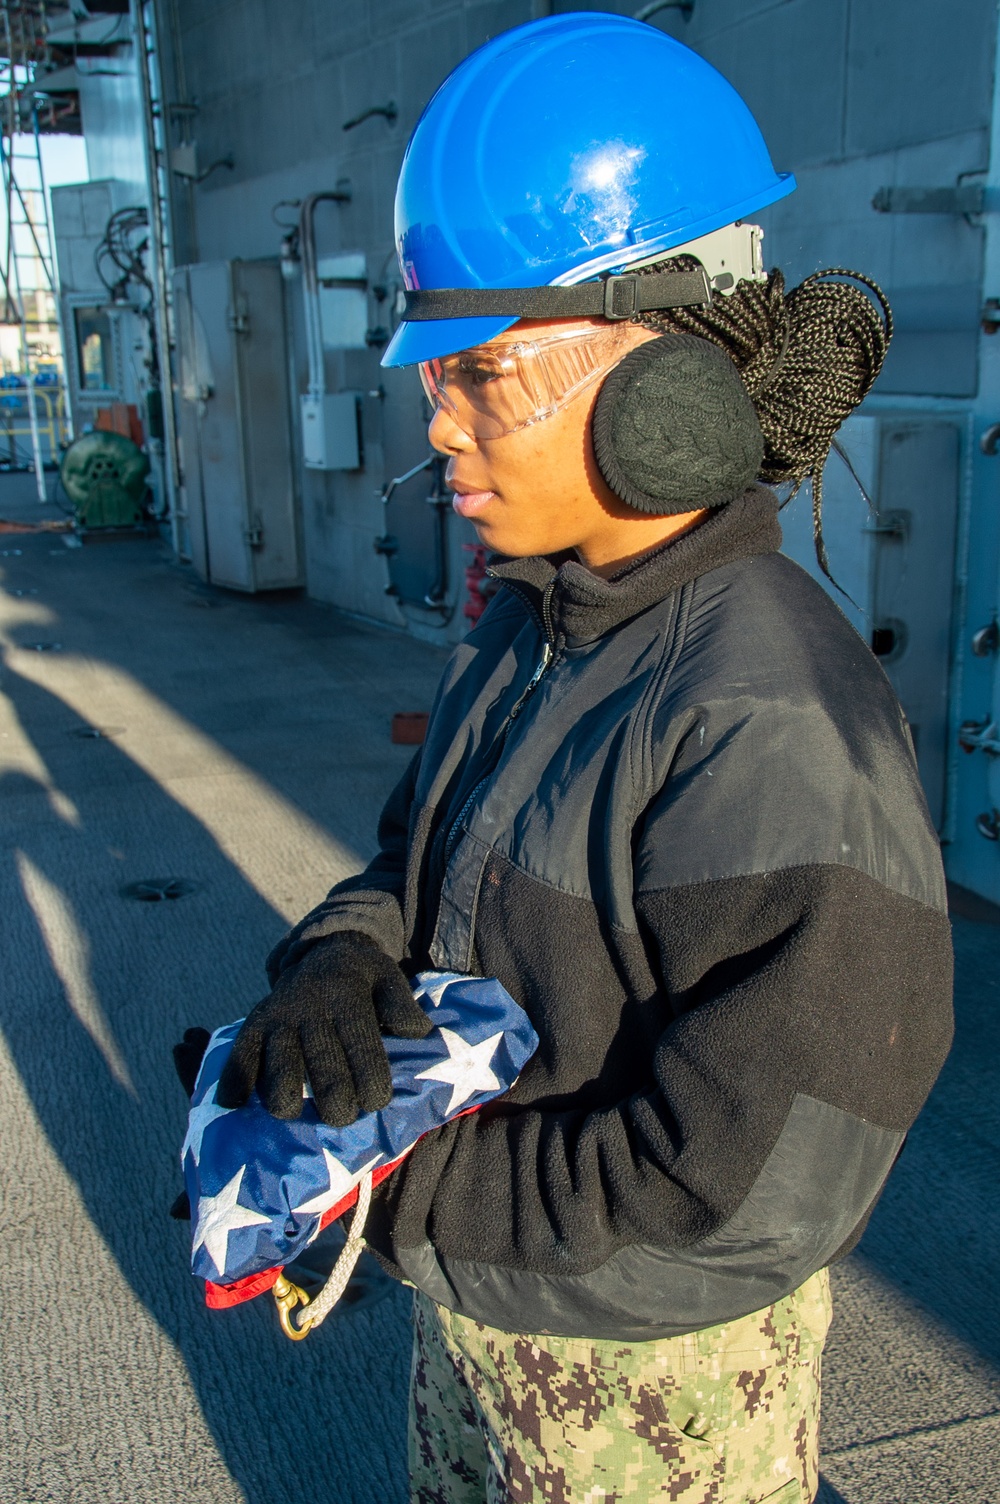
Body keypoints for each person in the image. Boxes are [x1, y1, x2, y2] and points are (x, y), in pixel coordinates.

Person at [216, 15, 954, 1503]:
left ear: (659, 384)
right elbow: (419, 854)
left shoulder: (771, 716)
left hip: (652, 1404)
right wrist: (340, 959)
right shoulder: (536, 618)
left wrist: (387, 1194)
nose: (437, 430)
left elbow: (740, 1196)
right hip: (482, 1331)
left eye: (481, 374)